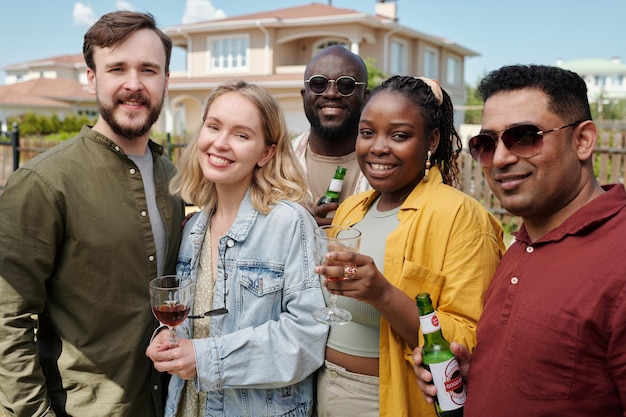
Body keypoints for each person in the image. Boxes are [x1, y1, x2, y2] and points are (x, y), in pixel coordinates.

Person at [413, 65, 626, 416]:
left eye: (525, 136)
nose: (500, 159)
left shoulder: (616, 257)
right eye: (485, 143)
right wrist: (475, 378)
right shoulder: (520, 247)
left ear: (583, 140)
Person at [0, 11, 184, 417]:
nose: (134, 84)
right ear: (91, 78)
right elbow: (7, 319)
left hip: (160, 404)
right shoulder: (43, 182)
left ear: (166, 81)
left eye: (149, 70)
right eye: (117, 68)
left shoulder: (172, 179)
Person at [314, 75, 505, 417]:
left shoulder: (461, 217)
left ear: (431, 141)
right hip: (323, 388)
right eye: (367, 132)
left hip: (389, 399)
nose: (378, 147)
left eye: (399, 135)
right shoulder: (351, 209)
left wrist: (384, 295)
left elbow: (471, 341)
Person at [145, 80, 328, 417]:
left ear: (266, 153)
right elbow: (194, 321)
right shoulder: (194, 228)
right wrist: (168, 339)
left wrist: (204, 358)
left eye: (241, 135)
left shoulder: (289, 224)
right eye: (213, 127)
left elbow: (306, 339)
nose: (220, 143)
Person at [293, 45, 371, 224]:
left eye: (346, 85)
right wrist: (299, 225)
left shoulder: (389, 166)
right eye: (318, 84)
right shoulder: (276, 166)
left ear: (366, 97)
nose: (331, 93)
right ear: (304, 95)